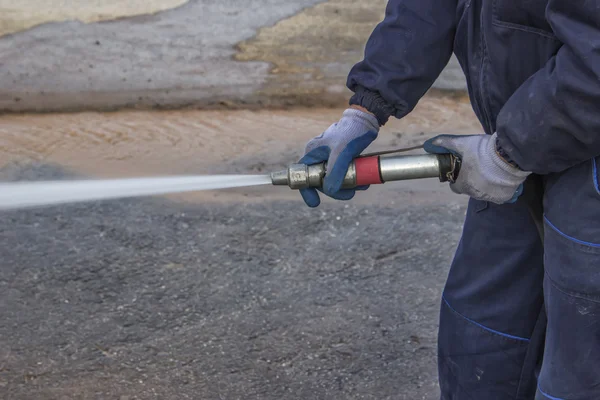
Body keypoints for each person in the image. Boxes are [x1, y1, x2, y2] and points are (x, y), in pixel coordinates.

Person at [299, 1, 600, 399]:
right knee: (481, 347)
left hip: (580, 161)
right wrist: (366, 106)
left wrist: (508, 155)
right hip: (518, 138)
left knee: (578, 373)